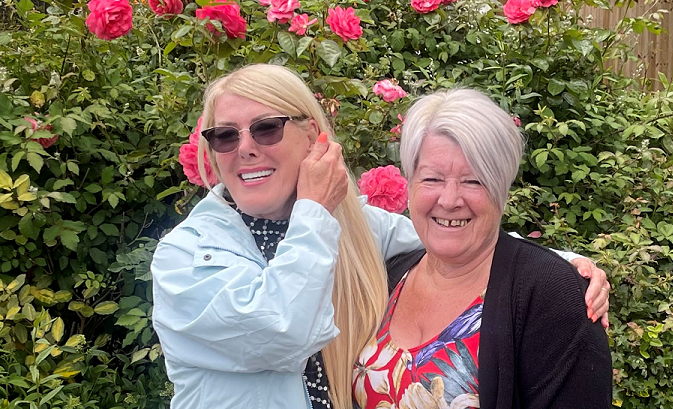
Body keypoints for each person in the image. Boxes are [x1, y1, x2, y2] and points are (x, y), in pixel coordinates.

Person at [151, 64, 610, 409]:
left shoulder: (349, 227)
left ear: (312, 135)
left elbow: (446, 233)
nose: (246, 147)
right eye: (225, 136)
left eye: (266, 127)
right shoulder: (184, 259)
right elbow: (282, 329)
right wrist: (315, 211)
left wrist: (562, 266)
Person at [352, 88, 612, 409]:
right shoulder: (391, 274)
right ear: (410, 183)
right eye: (432, 179)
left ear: (501, 189)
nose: (449, 200)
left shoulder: (553, 296)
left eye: (473, 181)